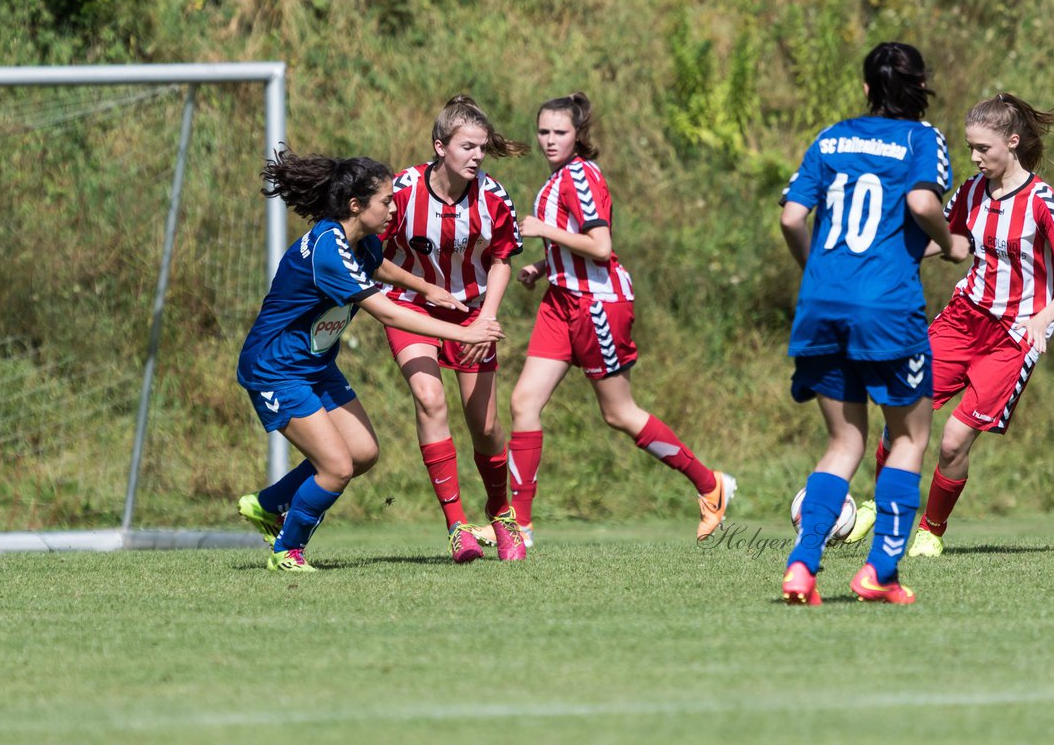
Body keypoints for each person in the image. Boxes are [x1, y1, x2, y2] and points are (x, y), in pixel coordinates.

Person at [234, 150, 505, 573]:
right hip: (276, 368)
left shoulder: (360, 242)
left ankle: (267, 505)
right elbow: (389, 312)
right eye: (386, 201)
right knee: (337, 467)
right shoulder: (329, 251)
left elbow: (383, 269)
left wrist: (425, 287)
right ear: (356, 206)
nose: (394, 208)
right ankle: (287, 550)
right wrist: (466, 332)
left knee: (362, 453)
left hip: (314, 366)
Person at [856, 93, 1054, 557]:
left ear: (1013, 142)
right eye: (970, 148)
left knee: (953, 440)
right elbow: (948, 239)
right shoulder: (970, 191)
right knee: (903, 406)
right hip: (963, 320)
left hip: (1014, 336)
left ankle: (931, 531)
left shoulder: (1043, 202)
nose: (975, 157)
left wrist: (1043, 318)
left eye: (984, 148)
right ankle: (882, 507)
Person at [778, 41, 969, 605]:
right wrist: (950, 244)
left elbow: (791, 217)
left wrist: (817, 274)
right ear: (919, 89)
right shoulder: (923, 138)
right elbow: (922, 203)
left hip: (822, 303)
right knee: (910, 434)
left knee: (843, 442)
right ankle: (879, 570)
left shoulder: (831, 137)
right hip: (886, 306)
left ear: (866, 88)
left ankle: (802, 566)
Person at [508, 91, 734, 547]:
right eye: (544, 131)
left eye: (560, 132)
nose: (550, 140)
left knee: (618, 412)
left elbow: (601, 247)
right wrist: (543, 266)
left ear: (579, 135)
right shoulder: (555, 180)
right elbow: (574, 250)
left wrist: (542, 230)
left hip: (598, 305)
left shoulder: (583, 176)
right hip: (561, 300)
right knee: (523, 403)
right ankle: (519, 525)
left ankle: (710, 484)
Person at [380, 95, 529, 563]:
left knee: (484, 424)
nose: (477, 156)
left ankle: (501, 513)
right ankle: (456, 527)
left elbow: (503, 258)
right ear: (440, 147)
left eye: (482, 147)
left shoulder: (492, 196)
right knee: (429, 398)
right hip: (411, 306)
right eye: (468, 146)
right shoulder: (402, 190)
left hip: (470, 312)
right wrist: (425, 287)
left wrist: (488, 316)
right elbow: (374, 258)